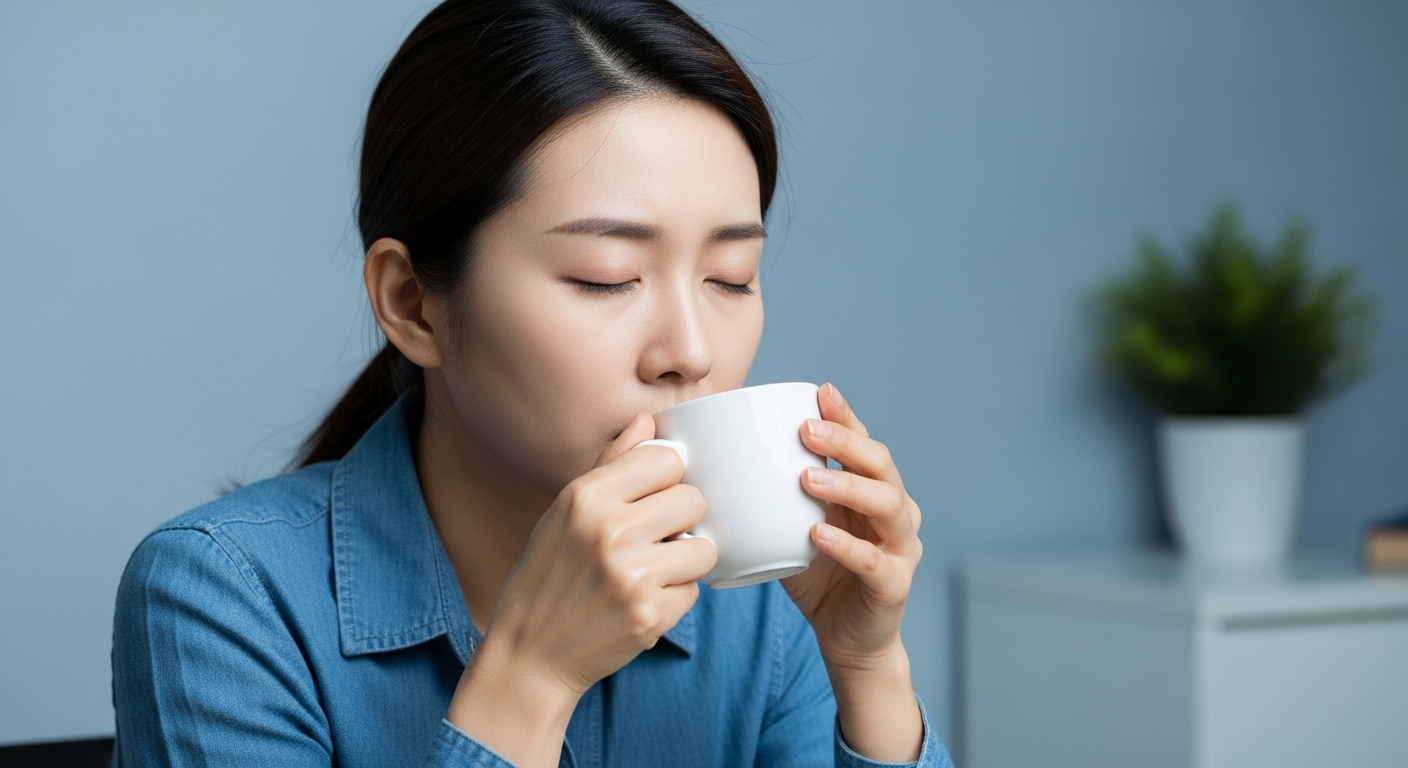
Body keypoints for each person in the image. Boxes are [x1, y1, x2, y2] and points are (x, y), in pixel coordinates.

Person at [110, 1, 953, 765]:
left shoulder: (761, 605)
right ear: (413, 305)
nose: (690, 352)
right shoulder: (225, 597)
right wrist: (532, 679)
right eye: (605, 276)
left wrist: (868, 668)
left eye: (731, 277)